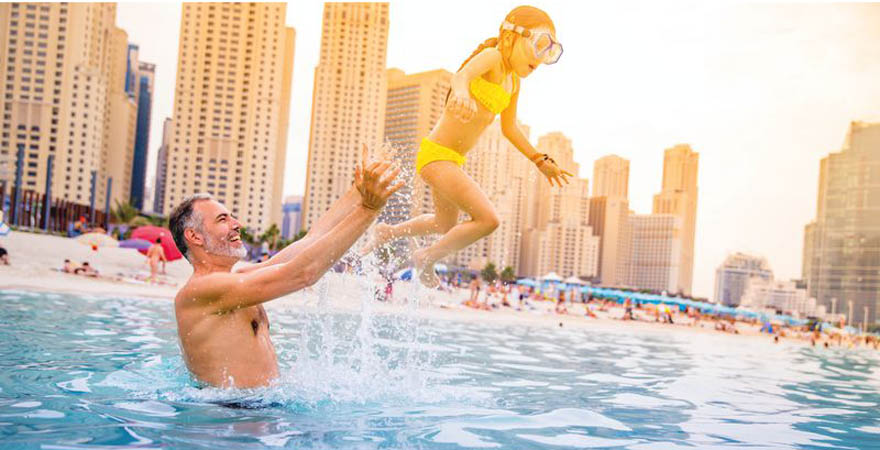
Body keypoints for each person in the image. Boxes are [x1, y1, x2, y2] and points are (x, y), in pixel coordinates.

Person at [361, 6, 571, 288]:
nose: (541, 56)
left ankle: (388, 232)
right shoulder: (493, 56)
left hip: (451, 160)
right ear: (511, 35)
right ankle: (426, 257)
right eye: (541, 43)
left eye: (550, 51)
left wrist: (539, 160)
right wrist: (461, 94)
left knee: (444, 225)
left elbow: (510, 128)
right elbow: (461, 76)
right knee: (488, 219)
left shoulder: (513, 83)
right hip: (436, 156)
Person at [171, 145, 401, 388]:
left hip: (258, 404)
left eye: (232, 216)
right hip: (231, 410)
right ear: (194, 236)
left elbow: (312, 240)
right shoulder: (199, 290)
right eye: (222, 219)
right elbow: (303, 273)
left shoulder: (240, 278)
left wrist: (358, 191)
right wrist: (368, 210)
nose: (236, 224)